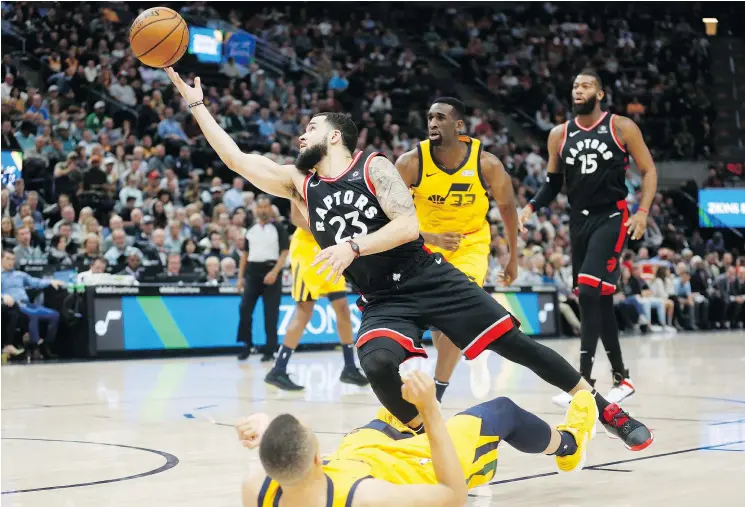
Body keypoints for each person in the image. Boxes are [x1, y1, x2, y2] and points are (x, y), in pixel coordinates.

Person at [166, 67, 652, 452]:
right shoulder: (301, 182)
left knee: (516, 346)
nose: (301, 135)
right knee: (375, 360)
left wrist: (352, 246)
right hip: (382, 298)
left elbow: (408, 226)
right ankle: (425, 431)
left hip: (427, 276)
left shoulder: (373, 166)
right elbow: (235, 158)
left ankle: (607, 410)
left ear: (334, 136)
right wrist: (198, 105)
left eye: (310, 128)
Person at [236, 371, 598, 507]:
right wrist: (430, 412)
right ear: (316, 459)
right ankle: (569, 445)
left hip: (360, 457)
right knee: (503, 411)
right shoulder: (367, 499)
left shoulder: (257, 488)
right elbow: (452, 498)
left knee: (395, 407)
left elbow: (284, 460)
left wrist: (271, 432)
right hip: (411, 470)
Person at [519, 69, 658, 408]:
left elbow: (649, 170)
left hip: (612, 216)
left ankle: (581, 382)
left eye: (586, 85)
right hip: (578, 220)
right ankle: (622, 377)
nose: (578, 89)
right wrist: (532, 206)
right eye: (575, 85)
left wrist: (642, 212)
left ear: (600, 93)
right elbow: (553, 183)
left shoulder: (621, 126)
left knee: (590, 288)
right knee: (598, 298)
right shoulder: (559, 134)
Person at [395, 98, 497, 401]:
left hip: (470, 243)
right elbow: (390, 215)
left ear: (459, 126)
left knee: (452, 313)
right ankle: (475, 350)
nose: (433, 123)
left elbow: (505, 204)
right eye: (430, 118)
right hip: (424, 242)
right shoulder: (411, 162)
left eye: (440, 117)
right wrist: (431, 236)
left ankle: (437, 395)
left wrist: (513, 256)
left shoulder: (483, 161)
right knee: (441, 326)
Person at [264, 202, 369, 390]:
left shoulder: (332, 179)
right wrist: (328, 229)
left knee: (343, 310)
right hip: (306, 251)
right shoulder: (300, 178)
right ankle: (278, 369)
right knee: (304, 312)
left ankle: (349, 367)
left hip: (328, 249)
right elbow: (296, 218)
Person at [236, 195, 289, 362]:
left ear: (270, 209)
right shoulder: (250, 229)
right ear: (256, 209)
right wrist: (240, 277)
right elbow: (245, 255)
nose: (264, 210)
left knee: (271, 313)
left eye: (266, 207)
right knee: (244, 308)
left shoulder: (279, 228)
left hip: (272, 272)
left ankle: (270, 349)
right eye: (261, 207)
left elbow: (284, 253)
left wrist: (274, 272)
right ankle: (247, 345)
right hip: (253, 272)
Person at [1, 250, 65, 358]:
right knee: (33, 316)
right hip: (15, 306)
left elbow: (36, 282)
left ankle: (46, 344)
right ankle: (35, 346)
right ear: (1, 259)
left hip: (28, 304)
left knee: (54, 315)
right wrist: (3, 296)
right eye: (8, 259)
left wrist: (50, 282)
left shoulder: (20, 275)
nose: (11, 262)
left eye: (12, 259)